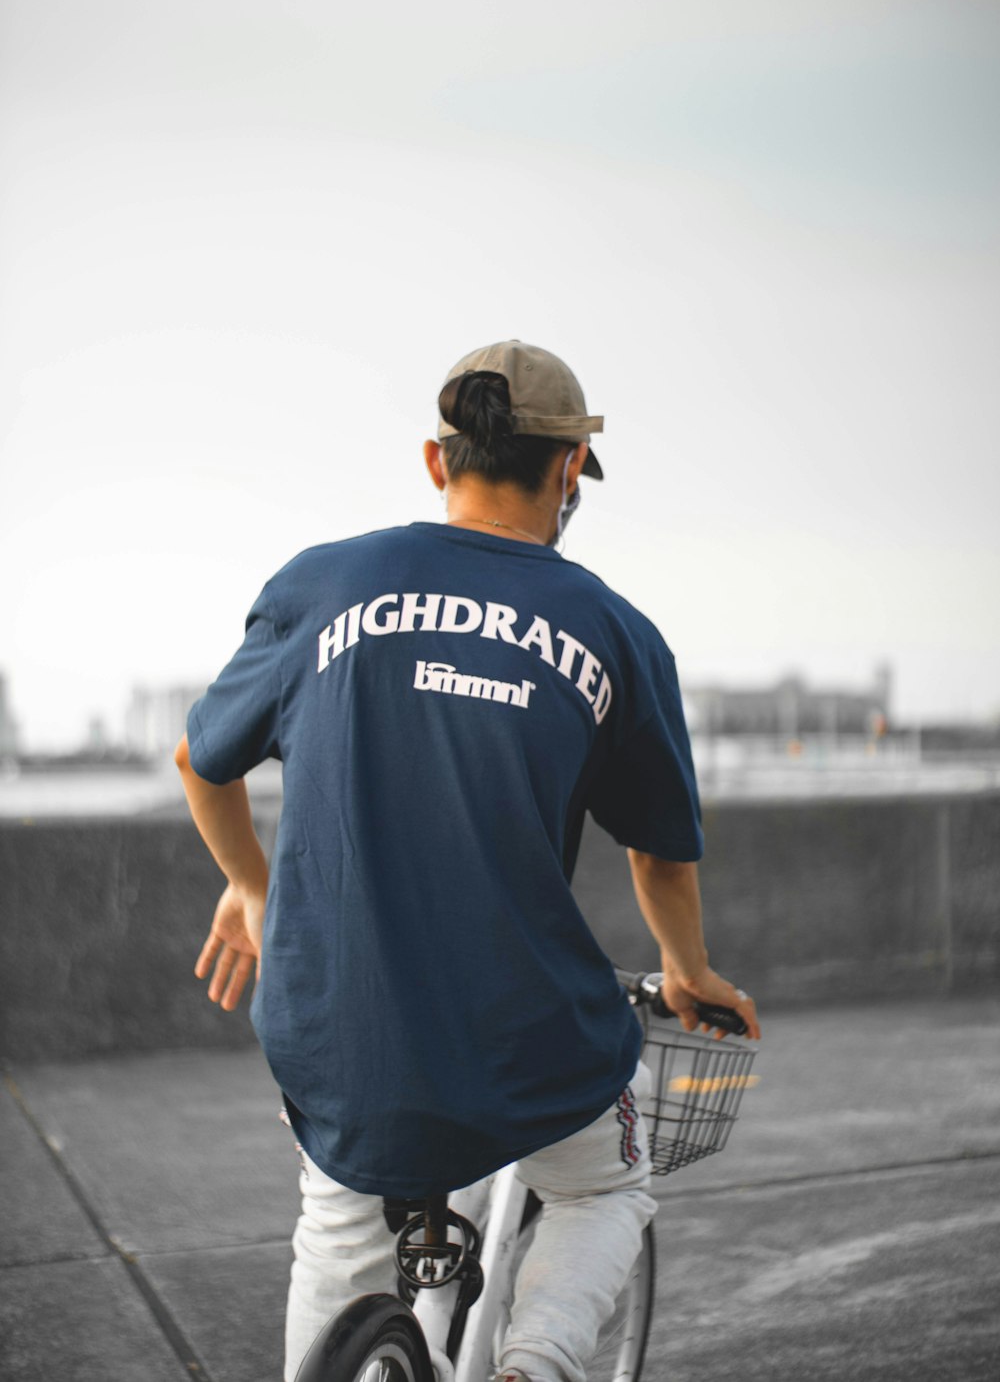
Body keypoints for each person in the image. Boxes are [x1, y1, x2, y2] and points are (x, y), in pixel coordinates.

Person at [175, 339, 761, 1382]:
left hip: (342, 1035)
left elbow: (198, 758)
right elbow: (660, 858)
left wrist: (252, 888)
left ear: (437, 461)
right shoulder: (614, 632)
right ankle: (532, 1365)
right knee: (601, 1186)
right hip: (526, 1036)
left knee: (340, 1228)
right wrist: (687, 971)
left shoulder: (323, 584)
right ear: (569, 469)